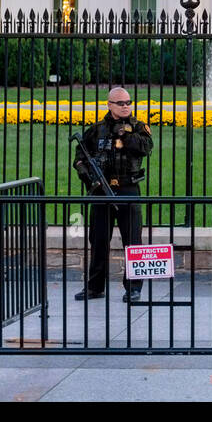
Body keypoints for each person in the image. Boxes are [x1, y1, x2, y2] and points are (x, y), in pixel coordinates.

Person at [72, 86, 153, 303]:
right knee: (98, 239)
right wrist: (87, 175)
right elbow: (79, 157)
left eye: (128, 103)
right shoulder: (96, 130)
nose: (126, 106)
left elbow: (146, 148)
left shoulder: (138, 127)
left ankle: (134, 288)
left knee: (133, 241)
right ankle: (95, 286)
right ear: (109, 104)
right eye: (121, 103)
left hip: (128, 189)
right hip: (102, 190)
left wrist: (125, 134)